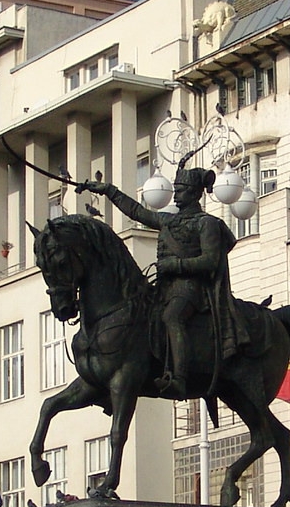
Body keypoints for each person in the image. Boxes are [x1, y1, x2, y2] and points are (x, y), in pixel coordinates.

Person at [83, 164, 247, 398]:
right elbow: (137, 212)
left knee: (172, 317)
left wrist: (176, 265)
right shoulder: (168, 221)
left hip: (193, 288)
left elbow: (210, 260)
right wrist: (109, 190)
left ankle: (179, 378)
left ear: (193, 192)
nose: (176, 194)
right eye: (176, 189)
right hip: (166, 287)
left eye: (181, 189)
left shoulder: (206, 223)